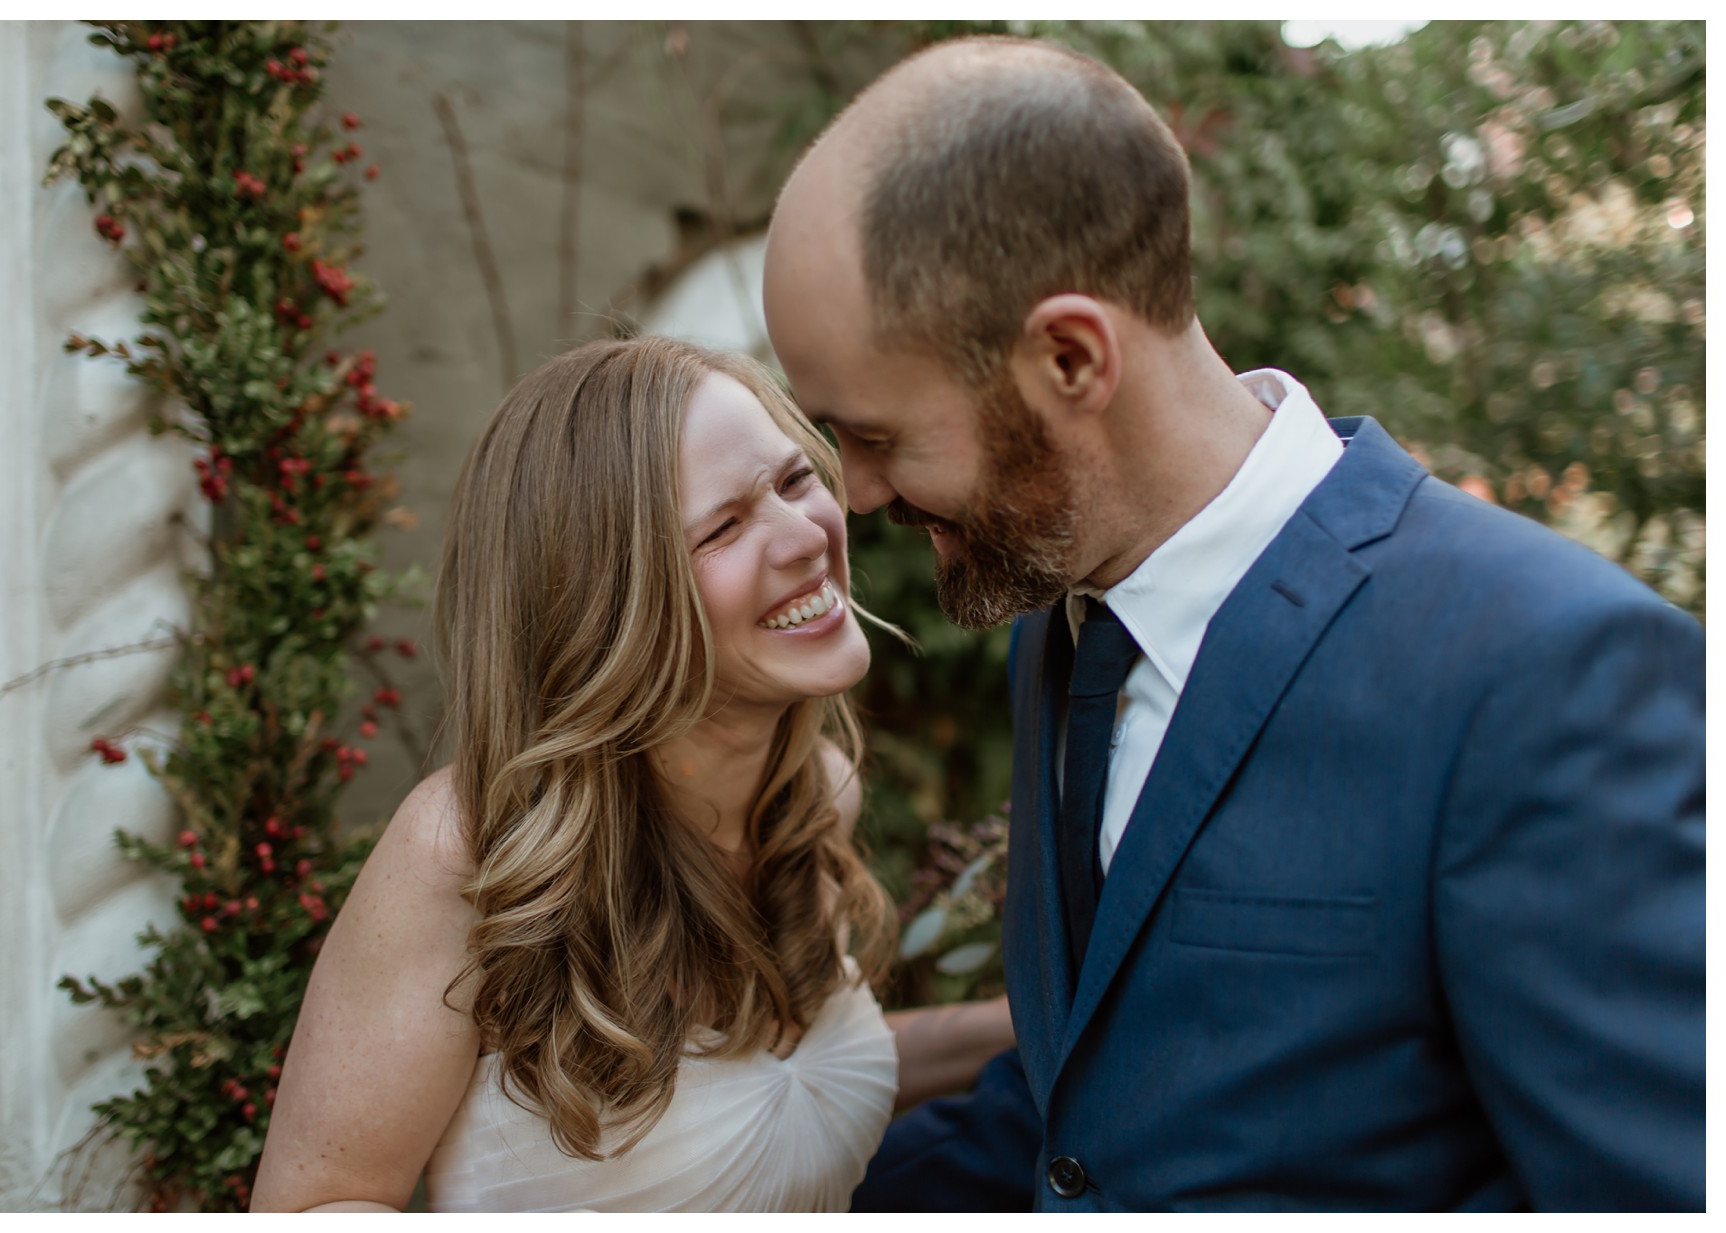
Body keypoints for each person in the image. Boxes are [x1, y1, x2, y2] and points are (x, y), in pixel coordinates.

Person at [762, 35, 1705, 1212]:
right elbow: (1090, 1116)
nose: (855, 492)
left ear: (1070, 357)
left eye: (878, 435)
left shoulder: (1546, 667)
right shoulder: (1057, 624)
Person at [249, 337, 1014, 1213]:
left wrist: (1047, 1026)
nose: (807, 535)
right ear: (607, 601)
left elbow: (773, 1081)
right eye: (724, 527)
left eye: (798, 480)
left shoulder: (812, 794)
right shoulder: (469, 854)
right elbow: (315, 1206)